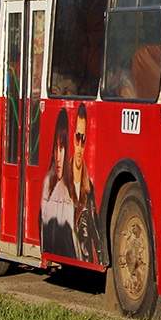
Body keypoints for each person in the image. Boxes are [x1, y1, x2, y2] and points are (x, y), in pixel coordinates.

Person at [66, 103, 104, 264]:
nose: (80, 145)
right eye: (77, 138)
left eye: (83, 139)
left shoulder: (89, 189)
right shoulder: (61, 180)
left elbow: (95, 232)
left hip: (84, 257)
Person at [40, 110, 77, 258]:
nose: (58, 157)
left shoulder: (69, 192)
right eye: (56, 148)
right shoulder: (48, 183)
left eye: (62, 148)